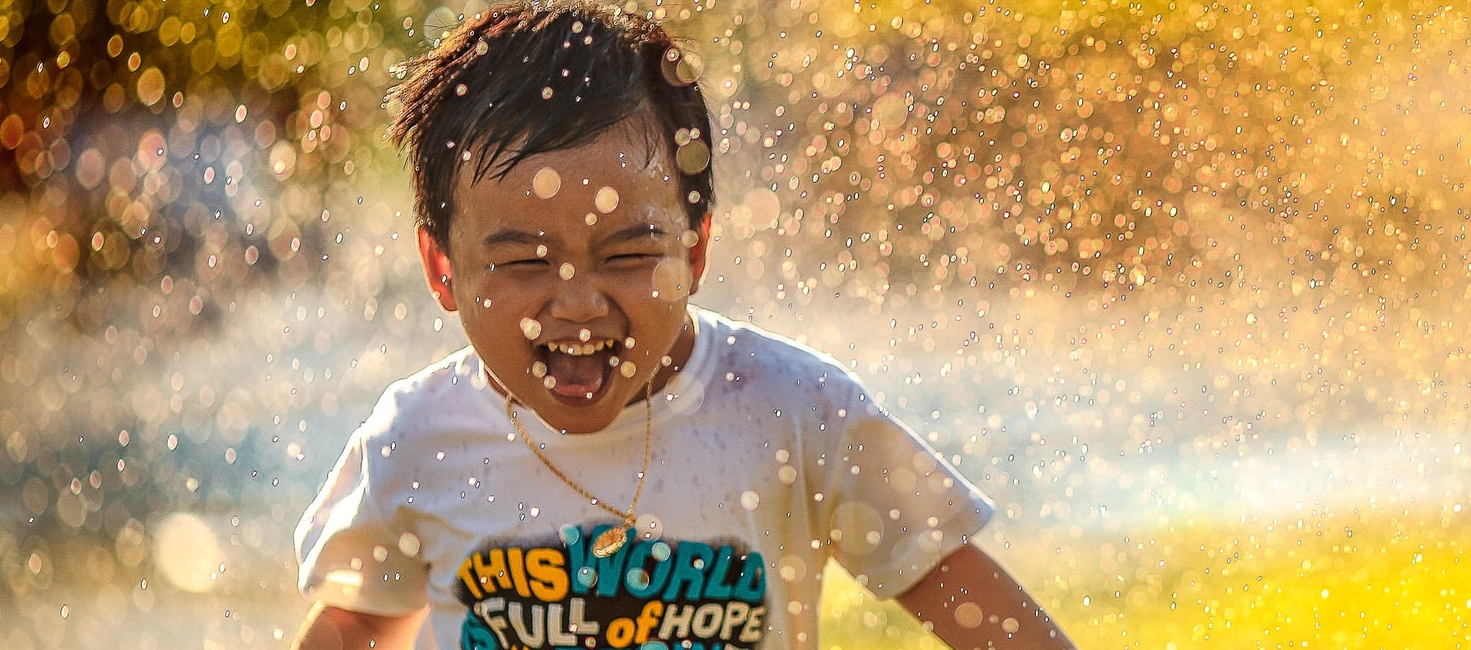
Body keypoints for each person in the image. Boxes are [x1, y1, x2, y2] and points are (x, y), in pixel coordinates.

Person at [290, 3, 1074, 649]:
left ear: (695, 253)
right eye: (524, 263)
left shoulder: (794, 411)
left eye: (627, 253)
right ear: (442, 271)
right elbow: (360, 618)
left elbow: (971, 601)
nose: (578, 304)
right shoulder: (420, 439)